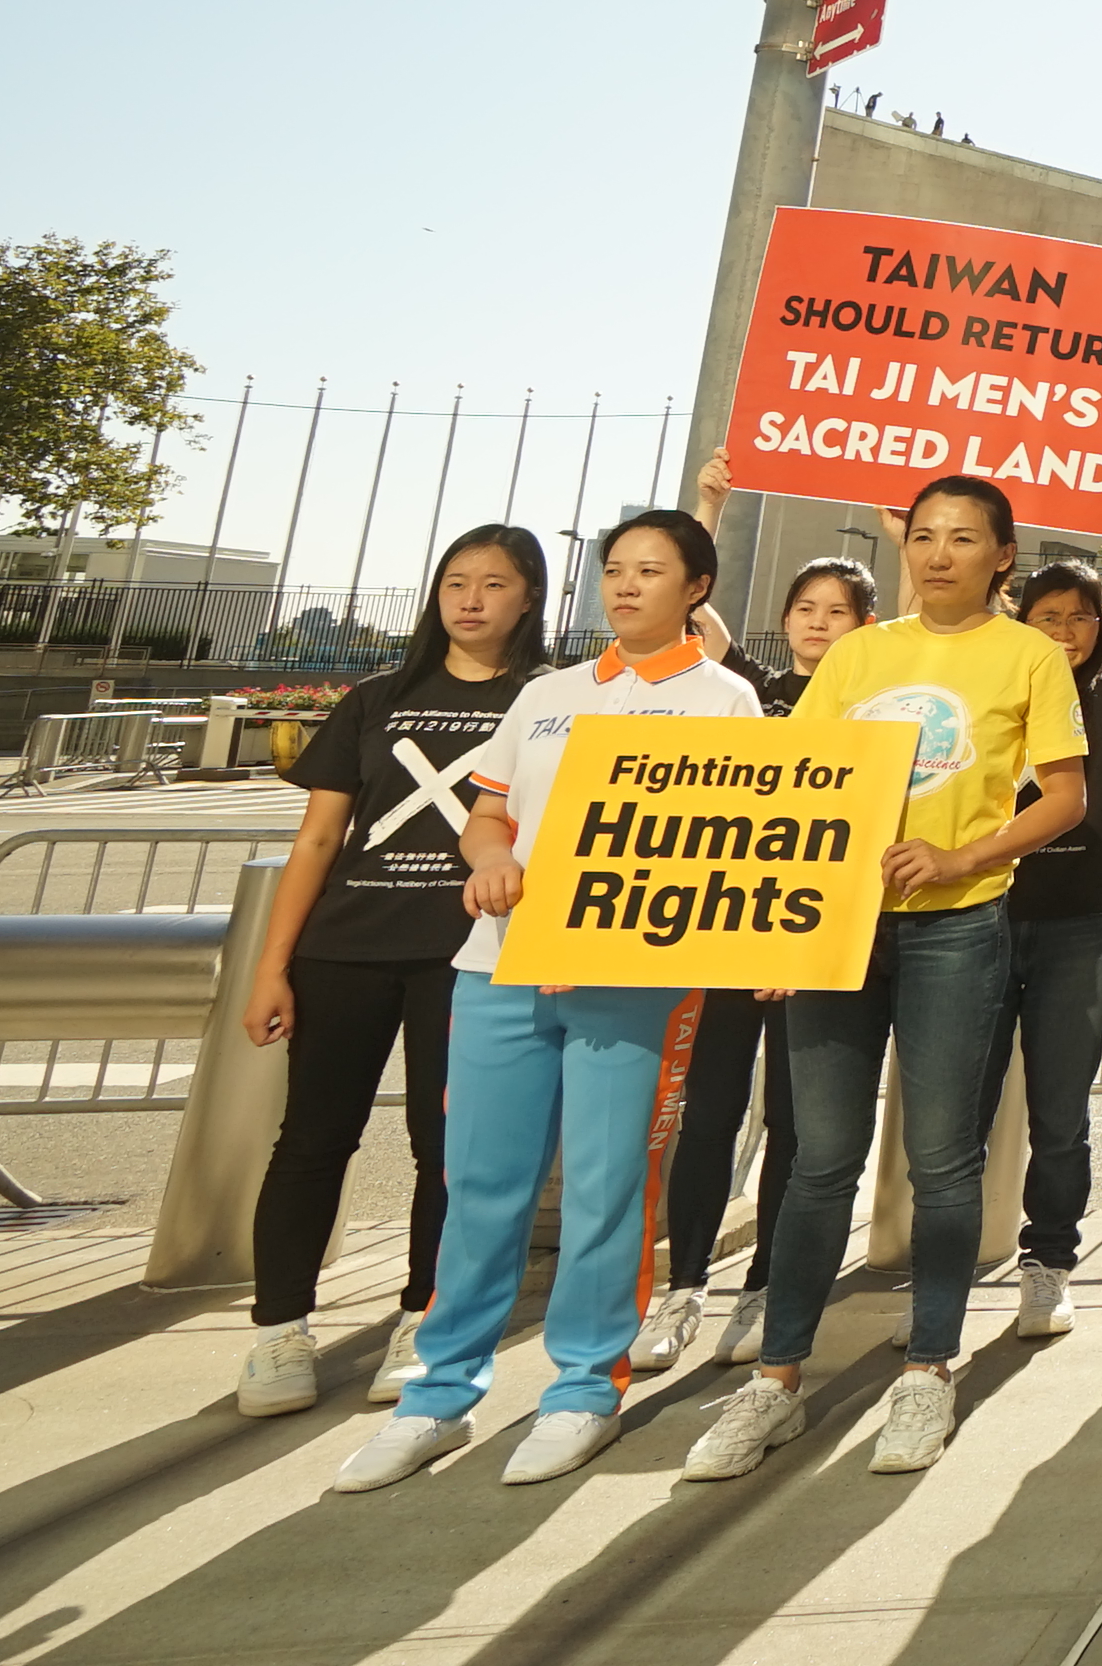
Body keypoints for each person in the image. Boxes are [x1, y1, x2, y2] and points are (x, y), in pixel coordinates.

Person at [326, 513, 762, 1493]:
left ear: (697, 586)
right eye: (613, 569)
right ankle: (439, 1393)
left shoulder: (724, 700)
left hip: (629, 975)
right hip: (499, 967)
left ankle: (581, 1388)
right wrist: (490, 862)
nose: (625, 585)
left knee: (608, 1189)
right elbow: (490, 816)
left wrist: (607, 925)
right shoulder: (548, 693)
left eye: (651, 570)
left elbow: (729, 844)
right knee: (481, 1184)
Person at [682, 473, 1093, 1482]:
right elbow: (802, 781)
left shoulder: (1030, 654)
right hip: (839, 930)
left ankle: (927, 1366)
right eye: (924, 536)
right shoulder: (861, 653)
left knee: (943, 1160)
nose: (939, 552)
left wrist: (965, 855)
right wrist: (786, 929)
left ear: (1004, 555)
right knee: (819, 1155)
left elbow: (1068, 798)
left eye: (965, 537)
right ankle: (776, 1380)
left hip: (958, 925)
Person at [234, 527, 549, 1421]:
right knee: (311, 1141)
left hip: (472, 956)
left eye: (495, 584)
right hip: (346, 950)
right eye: (457, 582)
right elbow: (319, 840)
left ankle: (424, 1318)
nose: (472, 599)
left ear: (530, 598)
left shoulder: (547, 701)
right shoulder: (376, 698)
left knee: (446, 1150)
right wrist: (273, 967)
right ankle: (279, 1329)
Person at [647, 502, 876, 1372]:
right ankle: (688, 1284)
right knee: (708, 1112)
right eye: (805, 611)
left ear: (864, 627)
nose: (818, 627)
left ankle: (768, 1288)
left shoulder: (873, 704)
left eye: (838, 614)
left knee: (796, 1121)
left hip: (814, 941)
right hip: (730, 932)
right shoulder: (745, 691)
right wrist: (704, 513)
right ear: (783, 620)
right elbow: (691, 609)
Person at [979, 527, 1102, 1342]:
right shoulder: (987, 687)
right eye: (1048, 615)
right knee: (962, 1108)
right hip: (981, 917)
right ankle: (944, 1269)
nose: (1064, 631)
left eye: (1081, 618)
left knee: (1062, 1112)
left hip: (1078, 925)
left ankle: (1048, 1260)